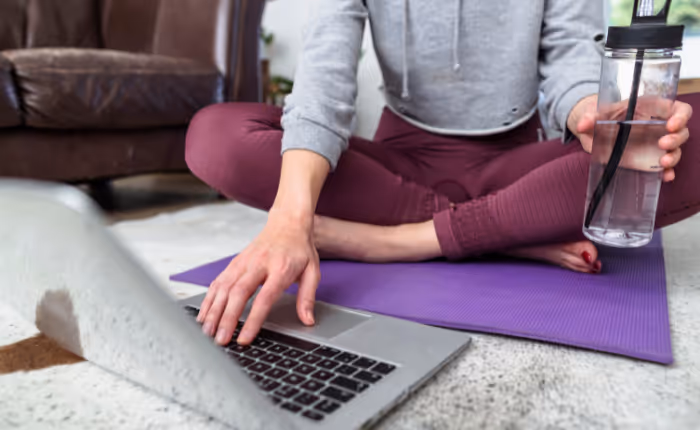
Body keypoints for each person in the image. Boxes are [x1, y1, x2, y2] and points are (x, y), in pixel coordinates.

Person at [185, 0, 697, 347]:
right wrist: (291, 219)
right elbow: (324, 77)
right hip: (403, 168)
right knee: (216, 136)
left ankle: (395, 241)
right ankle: (508, 234)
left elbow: (571, 65)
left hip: (517, 166)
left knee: (681, 135)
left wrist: (594, 116)